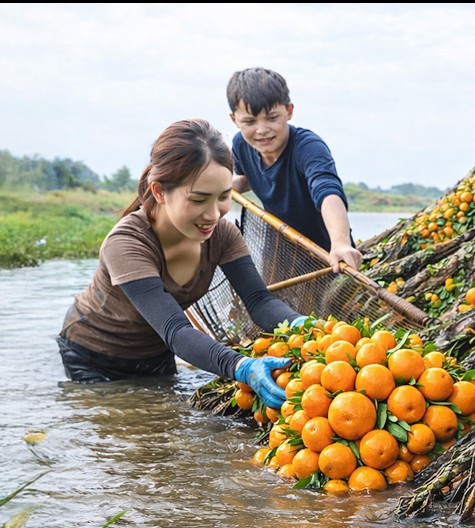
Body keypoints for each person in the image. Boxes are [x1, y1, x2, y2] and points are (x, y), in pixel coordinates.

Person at [58, 119, 304, 409]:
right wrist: (242, 367)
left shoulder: (222, 234)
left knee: (166, 426)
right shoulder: (126, 243)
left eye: (224, 197)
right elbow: (176, 330)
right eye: (199, 199)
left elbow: (259, 301)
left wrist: (305, 326)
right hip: (94, 355)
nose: (214, 214)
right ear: (160, 192)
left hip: (155, 352)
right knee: (124, 437)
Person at [226, 67, 362, 274]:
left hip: (324, 253)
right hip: (279, 249)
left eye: (272, 118)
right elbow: (249, 177)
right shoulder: (241, 145)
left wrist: (341, 243)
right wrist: (223, 188)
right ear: (234, 120)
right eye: (250, 122)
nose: (262, 130)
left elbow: (327, 191)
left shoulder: (308, 147)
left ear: (289, 111)